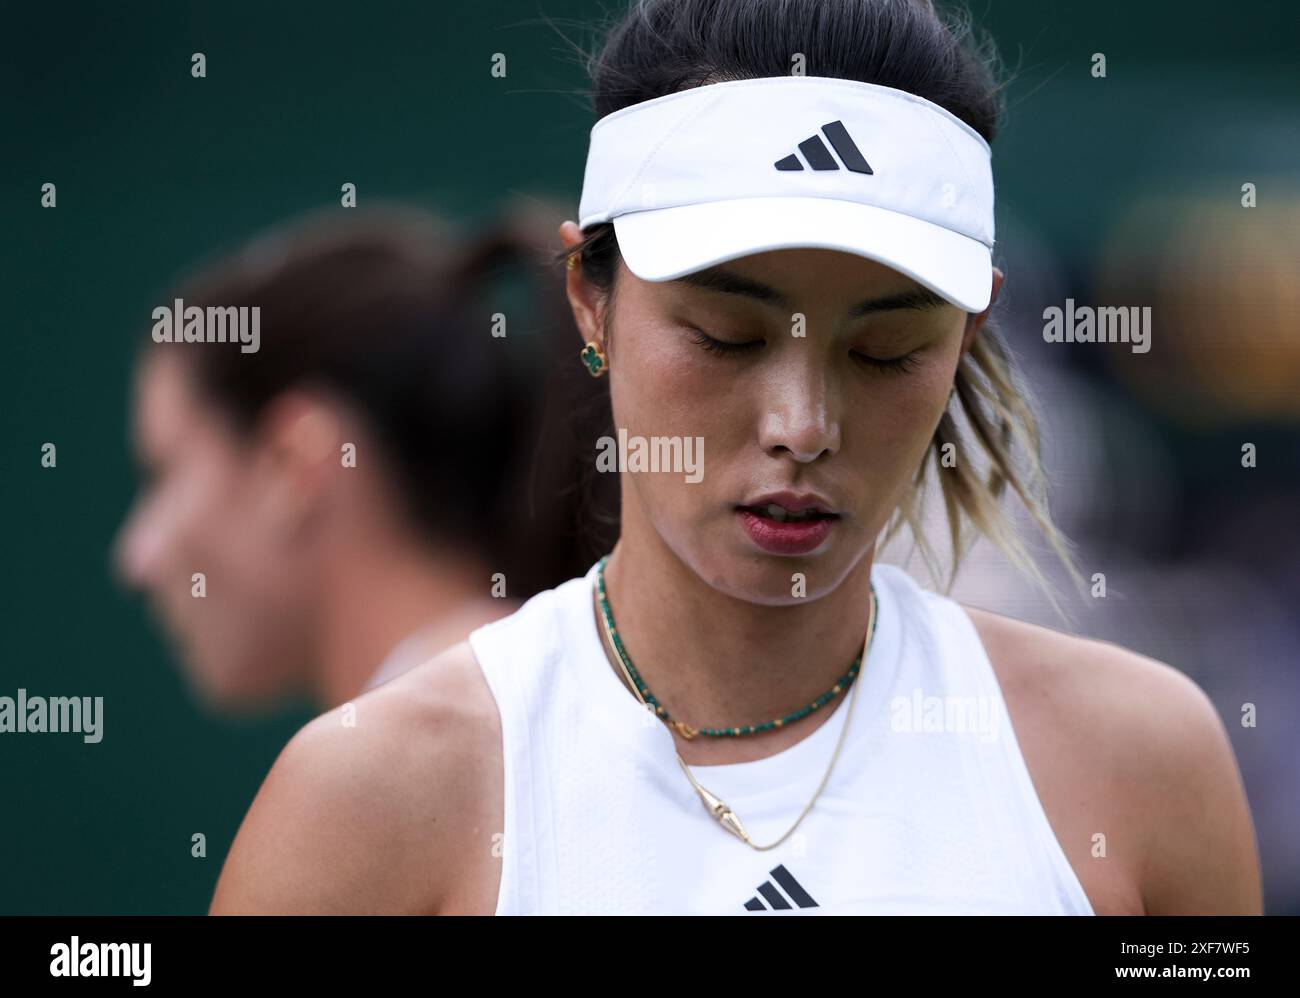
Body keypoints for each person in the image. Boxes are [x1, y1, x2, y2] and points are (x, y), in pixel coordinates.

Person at [209, 0, 1261, 914]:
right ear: (590, 296)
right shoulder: (370, 800)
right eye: (725, 334)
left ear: (970, 337)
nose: (802, 425)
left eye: (885, 347)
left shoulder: (1144, 764)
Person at [113, 202, 587, 713]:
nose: (135, 558)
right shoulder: (565, 694)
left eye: (164, 474)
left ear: (292, 462)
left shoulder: (389, 761)